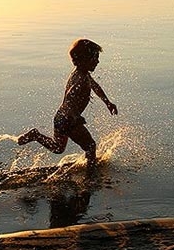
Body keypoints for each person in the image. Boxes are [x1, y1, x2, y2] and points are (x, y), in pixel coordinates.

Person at [17, 39, 118, 169]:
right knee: (91, 146)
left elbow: (95, 86)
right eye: (95, 58)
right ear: (84, 59)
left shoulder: (81, 73)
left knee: (58, 148)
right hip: (69, 119)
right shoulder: (80, 79)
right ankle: (90, 177)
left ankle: (36, 135)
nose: (98, 61)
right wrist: (74, 115)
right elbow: (70, 95)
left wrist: (107, 102)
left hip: (60, 117)